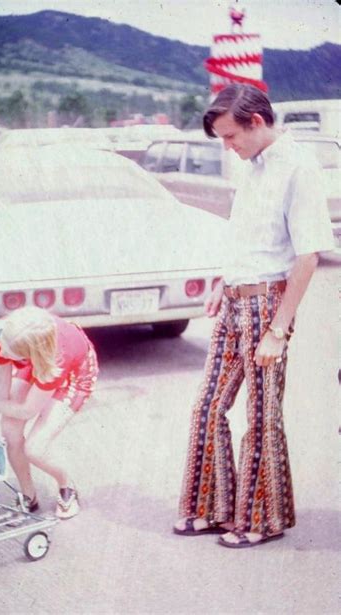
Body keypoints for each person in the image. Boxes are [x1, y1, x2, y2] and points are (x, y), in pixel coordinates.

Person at [173, 84, 334, 548]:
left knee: (261, 417)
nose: (228, 146)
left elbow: (307, 257)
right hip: (234, 299)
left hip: (268, 306)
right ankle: (213, 508)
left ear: (256, 122)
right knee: (208, 406)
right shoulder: (253, 166)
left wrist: (278, 332)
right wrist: (219, 285)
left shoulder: (298, 168)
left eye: (230, 136)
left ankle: (262, 519)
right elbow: (245, 236)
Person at [0, 306, 98, 519]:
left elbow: (26, 411)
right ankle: (29, 496)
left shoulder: (57, 356)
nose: (2, 353)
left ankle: (65, 484)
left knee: (35, 448)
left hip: (72, 373)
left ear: (30, 353)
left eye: (8, 352)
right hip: (39, 356)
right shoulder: (5, 332)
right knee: (9, 430)